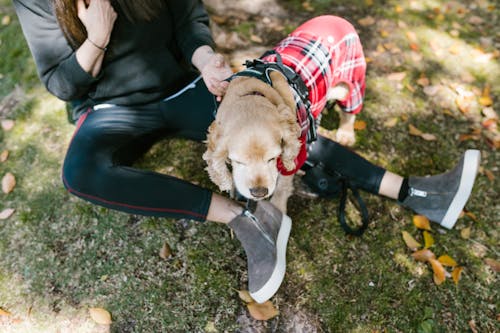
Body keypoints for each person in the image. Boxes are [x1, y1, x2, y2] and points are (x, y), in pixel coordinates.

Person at [13, 0, 480, 303]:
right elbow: (60, 82)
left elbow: (187, 18)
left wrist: (205, 61)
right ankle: (245, 220)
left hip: (185, 88)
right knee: (80, 173)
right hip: (112, 108)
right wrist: (96, 37)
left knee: (278, 130)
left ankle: (419, 193)